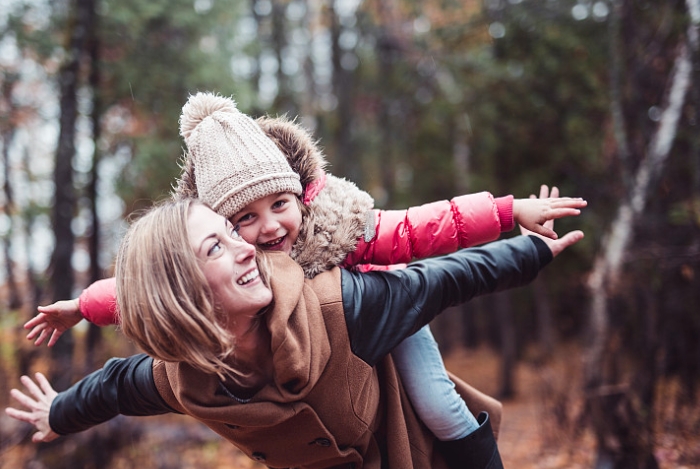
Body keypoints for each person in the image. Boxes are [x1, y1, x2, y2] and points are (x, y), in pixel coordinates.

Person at [24, 93, 586, 464]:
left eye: (279, 206)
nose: (266, 231)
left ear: (299, 194)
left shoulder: (343, 242)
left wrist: (517, 224)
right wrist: (78, 312)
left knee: (438, 403)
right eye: (239, 223)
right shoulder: (187, 369)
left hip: (385, 310)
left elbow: (432, 246)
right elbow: (129, 335)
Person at [7, 198, 584, 469]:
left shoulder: (344, 306)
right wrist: (57, 414)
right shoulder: (184, 378)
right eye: (219, 242)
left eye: (232, 233)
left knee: (445, 411)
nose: (246, 245)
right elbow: (113, 386)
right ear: (182, 291)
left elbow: (445, 278)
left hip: (415, 458)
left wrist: (532, 246)